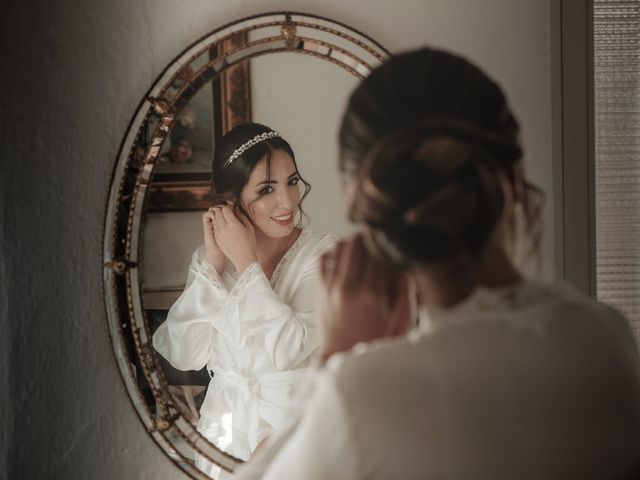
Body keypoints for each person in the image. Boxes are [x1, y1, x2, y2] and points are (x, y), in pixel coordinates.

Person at [235, 48, 640, 479]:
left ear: (364, 207)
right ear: (515, 175)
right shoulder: (606, 338)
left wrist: (336, 360)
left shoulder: (360, 396)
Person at [152, 123, 336, 471]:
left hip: (295, 436)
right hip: (222, 434)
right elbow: (183, 353)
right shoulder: (210, 260)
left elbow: (288, 349)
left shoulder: (323, 255)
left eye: (292, 182)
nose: (287, 201)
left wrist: (247, 263)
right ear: (231, 200)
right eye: (267, 189)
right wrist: (213, 267)